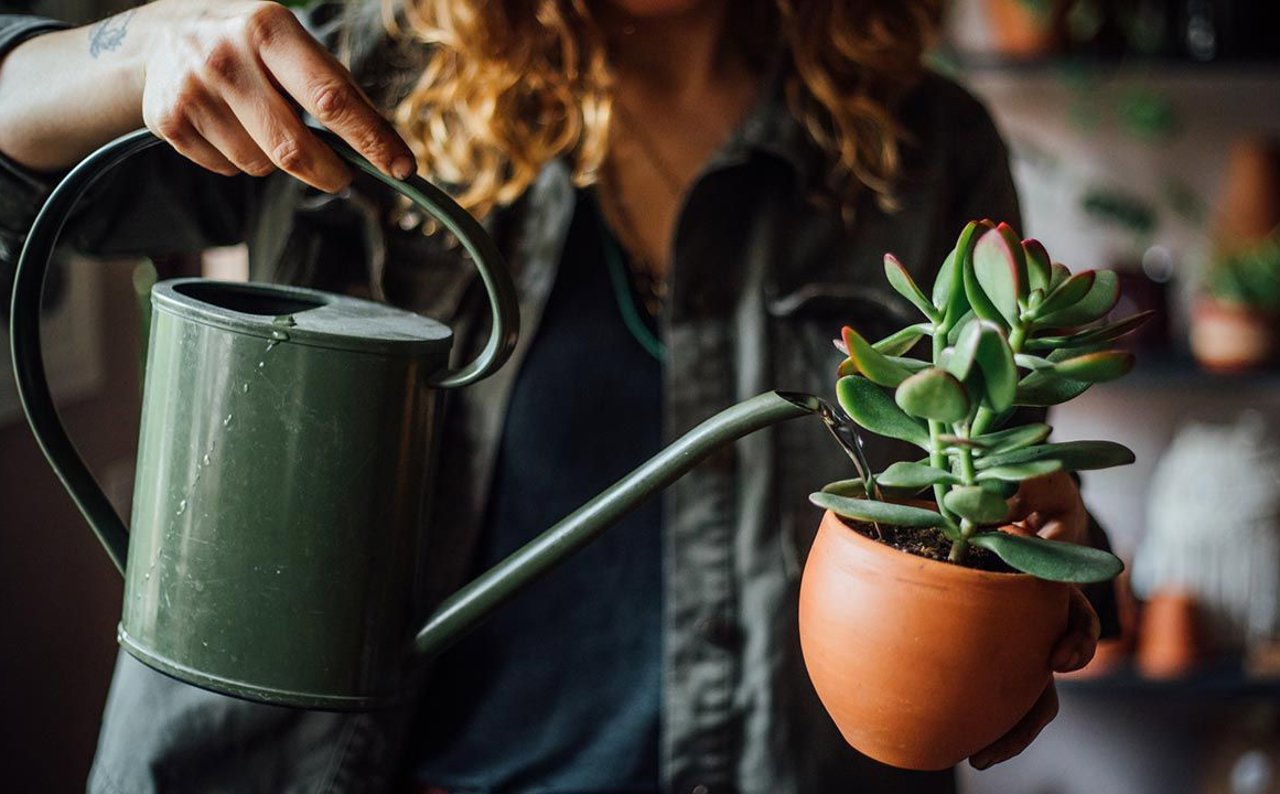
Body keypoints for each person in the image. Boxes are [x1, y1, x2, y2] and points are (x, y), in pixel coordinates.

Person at [0, 1, 1116, 792]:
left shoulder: (920, 146)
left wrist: (1036, 552)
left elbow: (1005, 481)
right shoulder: (349, 68)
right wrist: (141, 43)